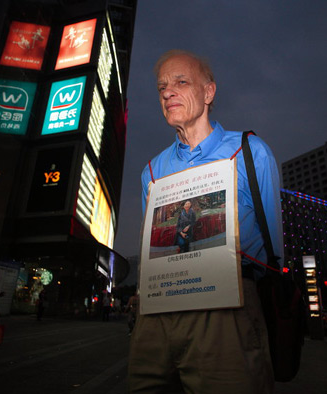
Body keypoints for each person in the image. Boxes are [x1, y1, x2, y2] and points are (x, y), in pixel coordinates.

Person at [127, 50, 283, 394]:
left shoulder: (250, 152)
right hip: (157, 315)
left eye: (181, 82)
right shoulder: (151, 171)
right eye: (161, 87)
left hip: (227, 310)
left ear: (209, 92)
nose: (168, 92)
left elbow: (273, 243)